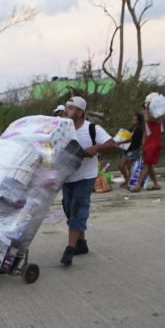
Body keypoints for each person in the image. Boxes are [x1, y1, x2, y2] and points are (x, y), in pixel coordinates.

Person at [59, 96, 117, 266]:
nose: (66, 110)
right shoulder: (62, 127)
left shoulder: (92, 129)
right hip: (67, 177)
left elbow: (112, 144)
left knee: (78, 209)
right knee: (68, 209)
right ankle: (82, 244)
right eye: (67, 107)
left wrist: (96, 148)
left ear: (80, 112)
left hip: (86, 177)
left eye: (71, 108)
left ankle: (70, 249)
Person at [131, 104, 162, 193]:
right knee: (149, 166)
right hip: (148, 144)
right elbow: (145, 134)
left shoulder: (156, 117)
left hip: (154, 144)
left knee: (146, 166)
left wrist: (146, 109)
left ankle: (137, 186)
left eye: (143, 110)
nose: (142, 112)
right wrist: (142, 147)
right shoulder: (147, 121)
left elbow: (147, 119)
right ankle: (156, 184)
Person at [118, 111, 144, 187]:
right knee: (121, 165)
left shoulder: (139, 130)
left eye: (135, 119)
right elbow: (127, 136)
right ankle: (127, 180)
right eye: (132, 119)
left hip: (133, 150)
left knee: (129, 167)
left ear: (139, 121)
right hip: (127, 150)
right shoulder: (132, 129)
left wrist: (120, 142)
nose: (133, 121)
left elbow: (131, 139)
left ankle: (129, 182)